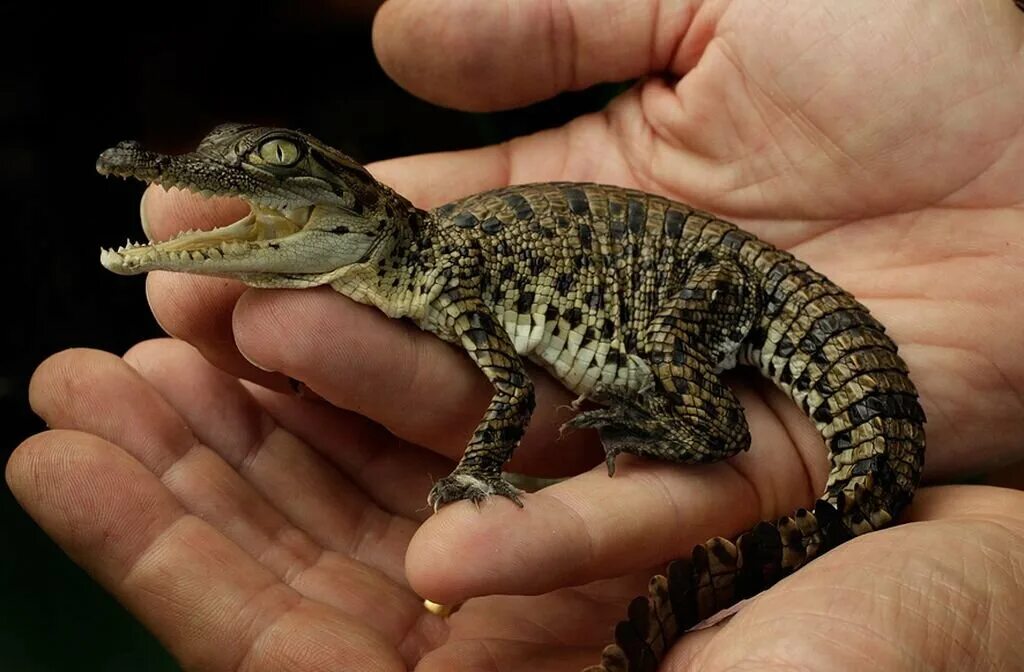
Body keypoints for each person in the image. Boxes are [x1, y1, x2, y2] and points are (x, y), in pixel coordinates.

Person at [9, 1, 1024, 669]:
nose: (238, 178)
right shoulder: (422, 264)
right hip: (707, 277)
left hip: (733, 293)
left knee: (683, 350)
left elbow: (506, 395)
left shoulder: (445, 272)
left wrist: (474, 470)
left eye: (275, 163)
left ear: (347, 198)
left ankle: (704, 429)